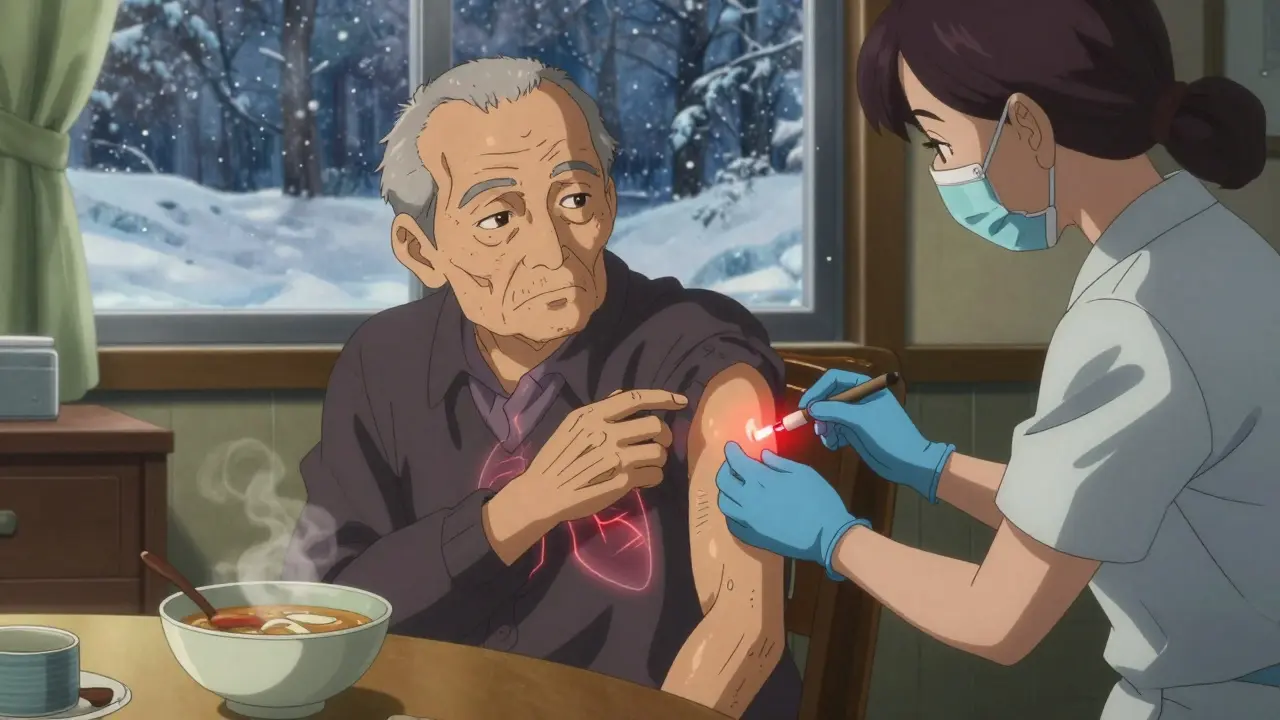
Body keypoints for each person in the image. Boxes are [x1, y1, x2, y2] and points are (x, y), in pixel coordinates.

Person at [715, 1, 1280, 718]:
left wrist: (832, 535)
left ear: (1027, 127)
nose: (944, 174)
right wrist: (927, 463)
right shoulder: (1210, 251)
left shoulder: (1132, 322)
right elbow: (1099, 505)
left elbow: (997, 619)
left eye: (941, 145)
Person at [282, 57, 802, 718]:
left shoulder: (699, 353)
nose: (554, 253)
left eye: (575, 200)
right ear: (422, 250)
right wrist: (519, 509)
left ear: (610, 203)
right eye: (499, 219)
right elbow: (326, 606)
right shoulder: (382, 363)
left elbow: (745, 633)